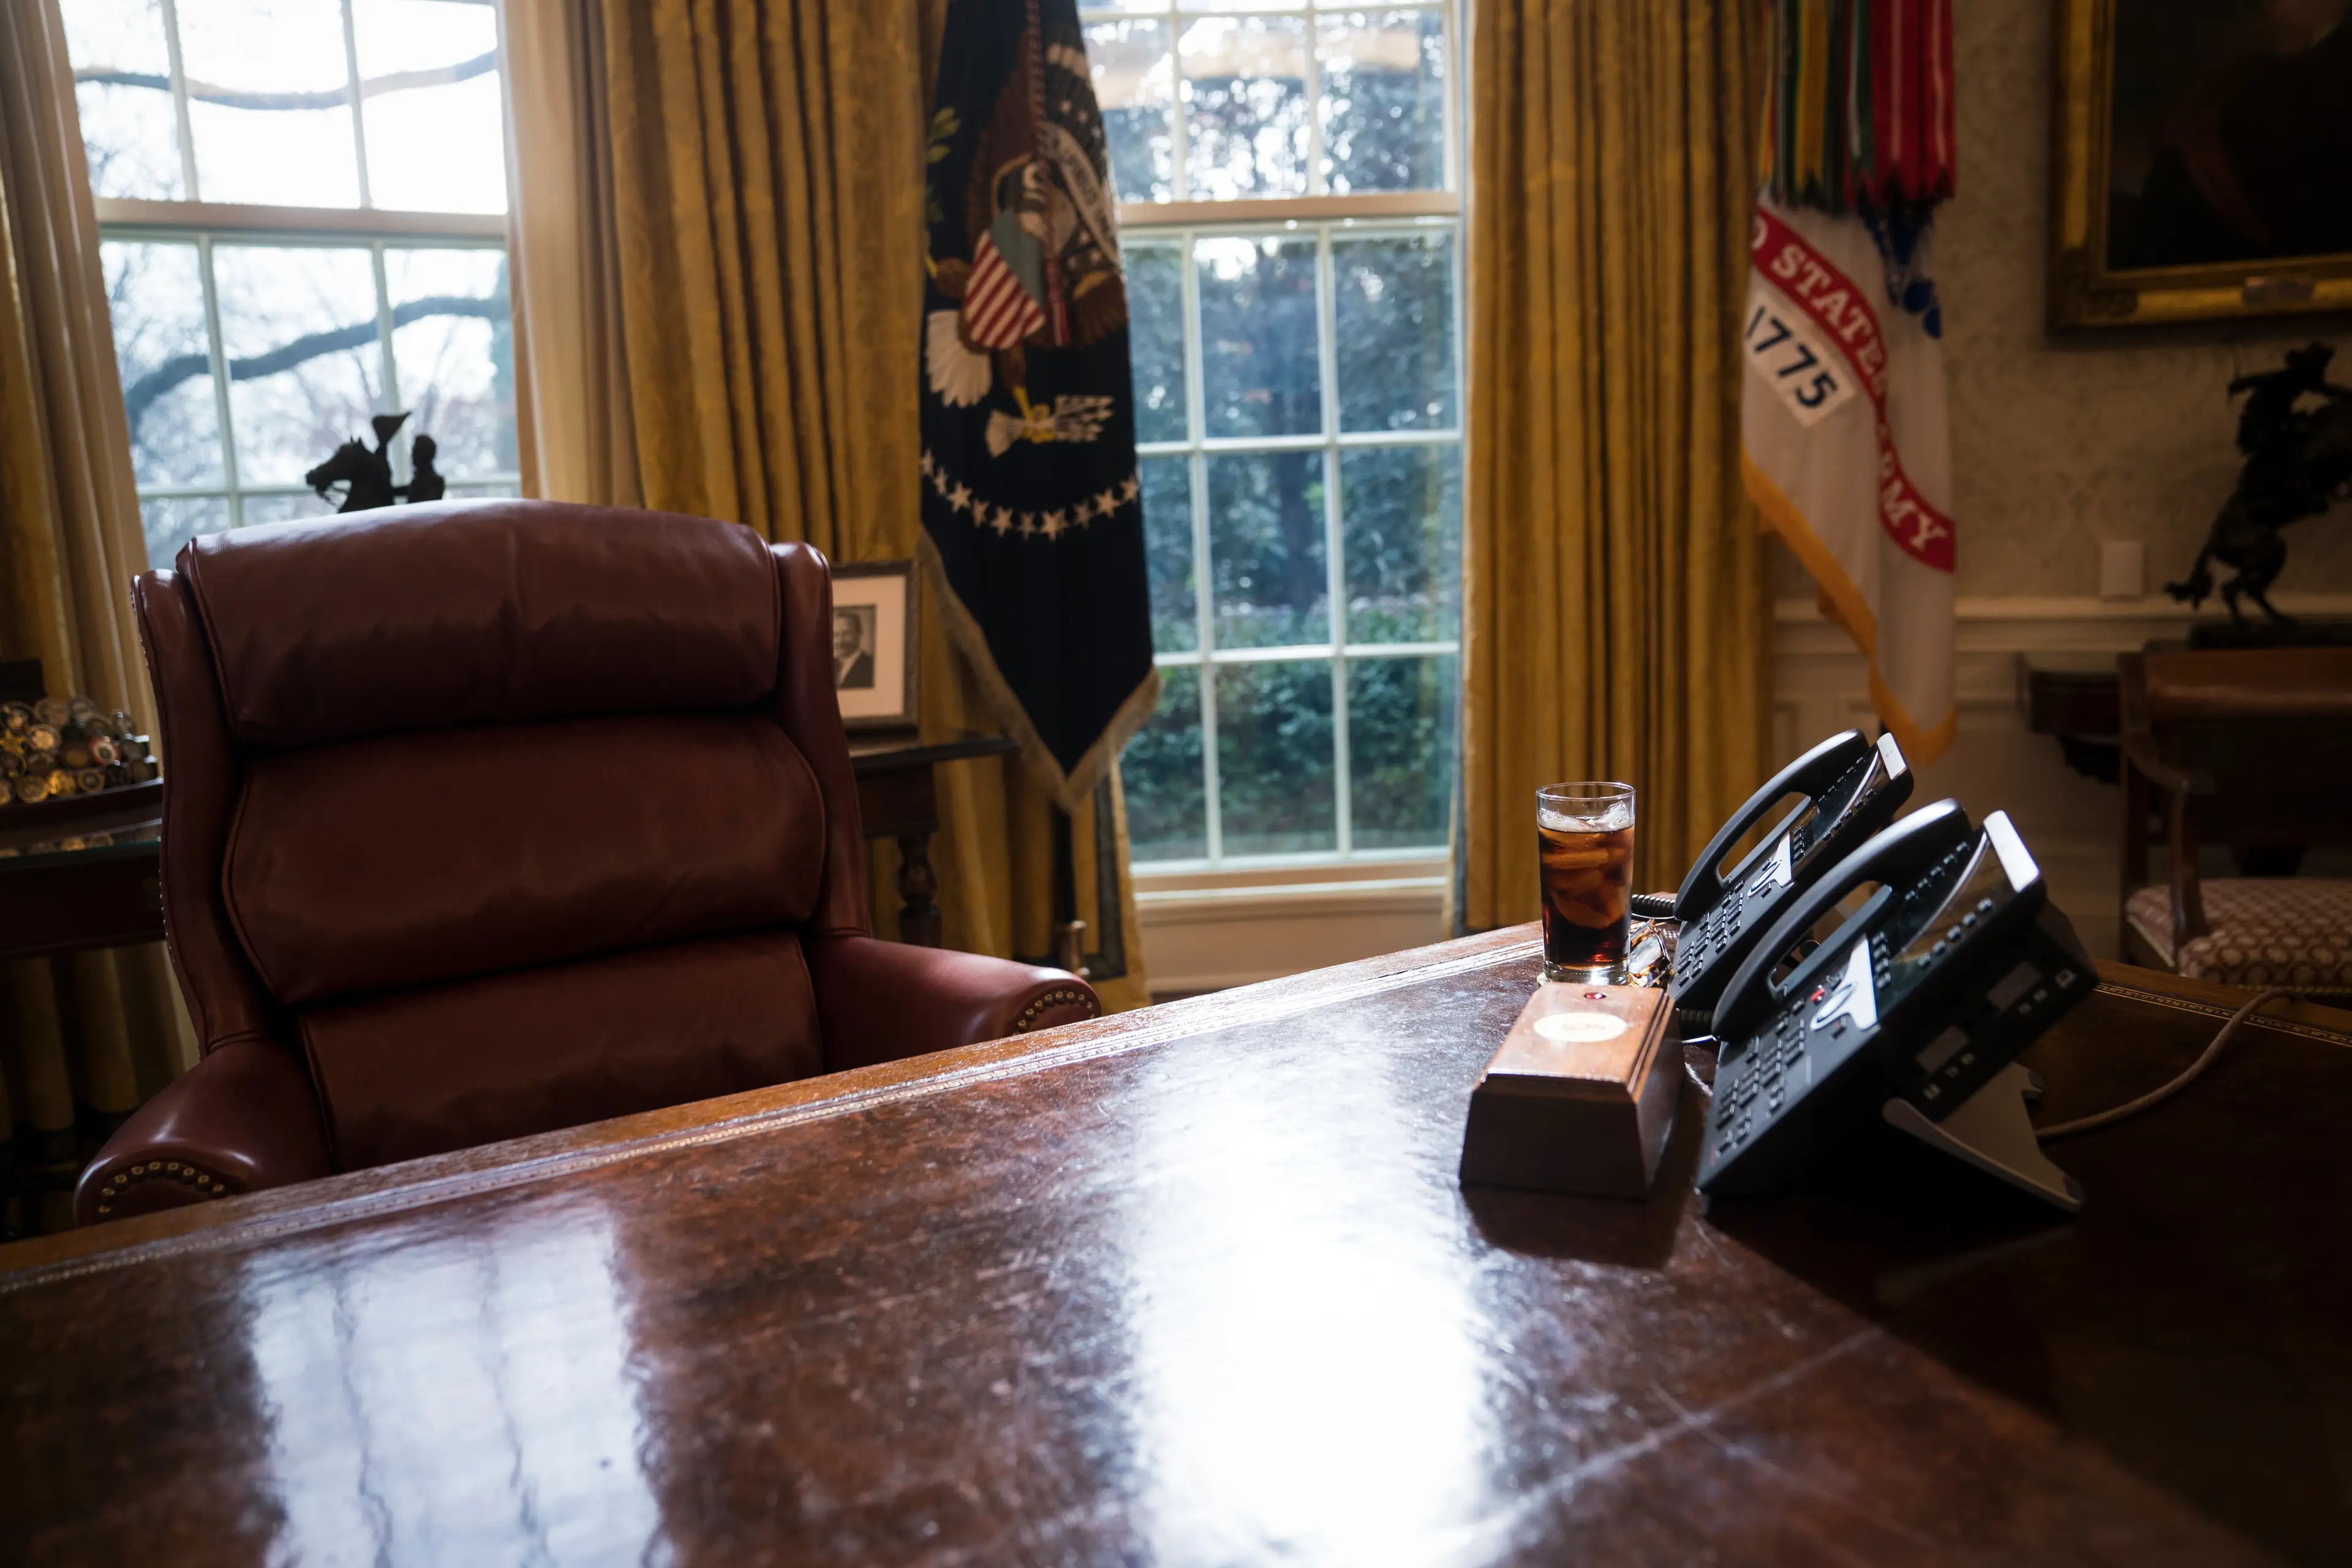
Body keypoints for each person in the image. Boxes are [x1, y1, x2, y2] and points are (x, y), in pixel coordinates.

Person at [832, 608, 875, 688]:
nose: (840, 641)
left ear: (859, 634)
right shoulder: (829, 666)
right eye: (836, 635)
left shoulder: (871, 667)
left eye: (846, 634)